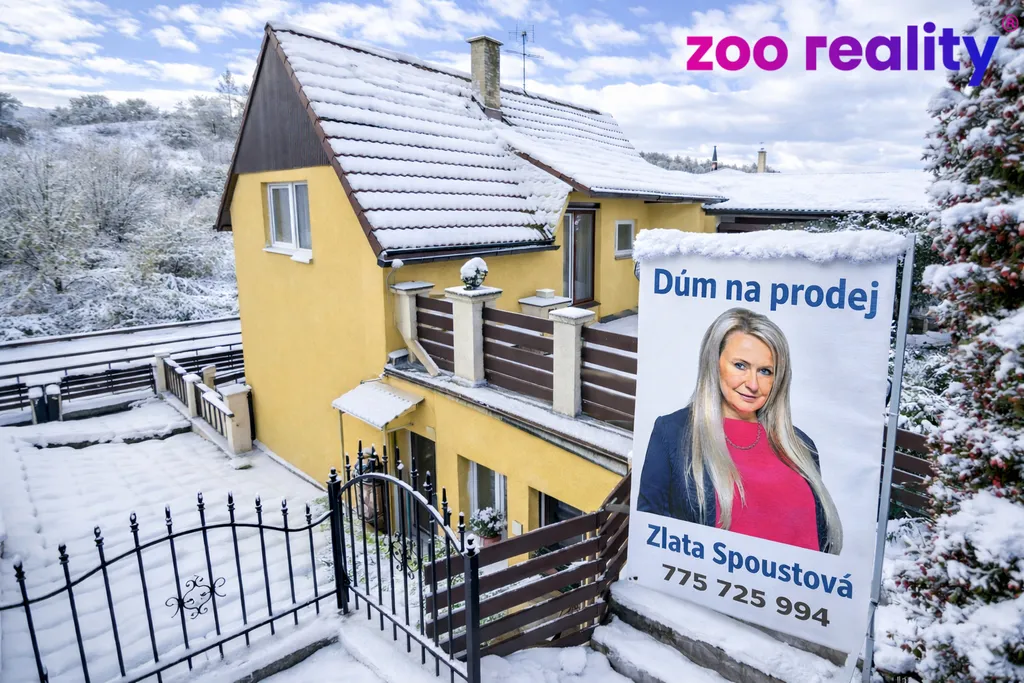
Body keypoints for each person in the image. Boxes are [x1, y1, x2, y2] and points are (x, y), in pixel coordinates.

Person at [637, 307, 843, 555]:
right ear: (714, 363)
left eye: (765, 371)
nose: (753, 384)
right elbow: (649, 537)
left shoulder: (801, 445)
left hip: (797, 581)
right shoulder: (672, 433)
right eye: (740, 365)